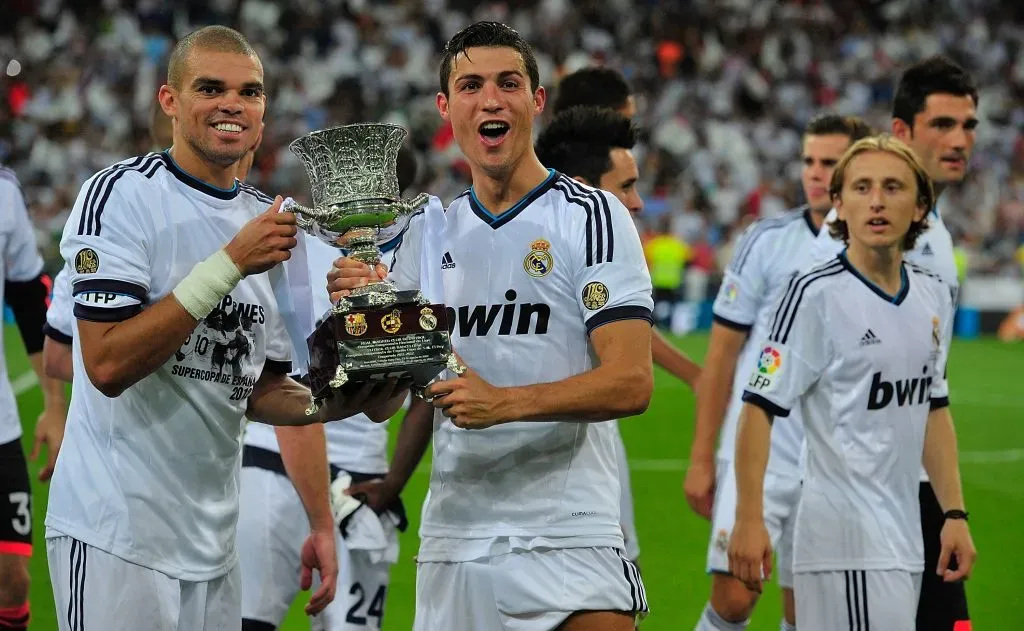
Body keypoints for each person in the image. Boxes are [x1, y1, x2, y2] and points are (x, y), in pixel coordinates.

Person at [43, 25, 405, 631]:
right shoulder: (122, 196)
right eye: (210, 88)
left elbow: (259, 388)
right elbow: (105, 365)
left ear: (264, 111)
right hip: (115, 535)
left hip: (215, 548)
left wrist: (367, 380)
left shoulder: (270, 227)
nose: (231, 104)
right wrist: (231, 263)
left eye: (250, 92)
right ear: (170, 101)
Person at [329, 21, 654, 631]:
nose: (491, 99)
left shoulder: (593, 215)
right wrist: (361, 329)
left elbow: (632, 381)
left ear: (535, 101)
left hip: (568, 530)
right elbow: (382, 406)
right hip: (458, 534)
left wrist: (504, 403)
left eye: (508, 83)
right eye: (471, 85)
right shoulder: (428, 234)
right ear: (446, 109)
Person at [729, 134, 976, 630]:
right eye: (861, 188)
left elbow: (934, 408)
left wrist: (954, 514)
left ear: (921, 204)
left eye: (893, 187)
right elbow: (757, 407)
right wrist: (749, 517)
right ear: (839, 202)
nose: (877, 201)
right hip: (845, 540)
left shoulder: (932, 295)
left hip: (904, 536)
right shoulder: (813, 294)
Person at [683, 113, 871, 631]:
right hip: (760, 449)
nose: (814, 173)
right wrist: (702, 458)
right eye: (809, 161)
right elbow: (721, 355)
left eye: (829, 163)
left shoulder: (875, 247)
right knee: (735, 598)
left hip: (833, 457)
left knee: (808, 610)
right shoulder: (766, 240)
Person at [238, 145, 434, 631]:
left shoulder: (419, 256)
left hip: (335, 479)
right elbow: (284, 378)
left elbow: (403, 399)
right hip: (291, 462)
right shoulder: (292, 242)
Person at [812, 55, 978, 631]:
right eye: (943, 125)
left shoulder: (936, 241)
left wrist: (952, 507)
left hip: (920, 487)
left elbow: (934, 392)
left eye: (969, 125)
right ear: (902, 131)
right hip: (863, 502)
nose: (961, 139)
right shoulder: (860, 250)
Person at [534, 104, 699, 567]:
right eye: (626, 186)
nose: (639, 201)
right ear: (584, 191)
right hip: (532, 511)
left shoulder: (599, 260)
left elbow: (629, 374)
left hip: (587, 490)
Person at [0, 164, 67, 631]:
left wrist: (53, 406)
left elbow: (28, 303)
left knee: (12, 581)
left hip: (0, 428)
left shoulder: (4, 195)